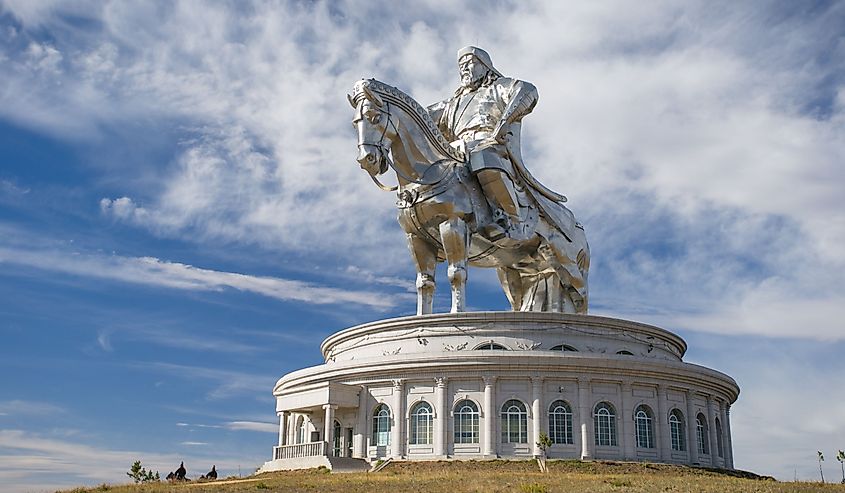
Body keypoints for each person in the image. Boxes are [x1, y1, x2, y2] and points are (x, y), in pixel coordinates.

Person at [427, 46, 565, 240]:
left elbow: (527, 90)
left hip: (488, 144)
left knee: (482, 158)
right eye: (461, 66)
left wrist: (504, 122)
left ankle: (512, 219)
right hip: (456, 150)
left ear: (484, 66)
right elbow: (419, 116)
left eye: (470, 63)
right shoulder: (452, 103)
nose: (465, 69)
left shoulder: (498, 87)